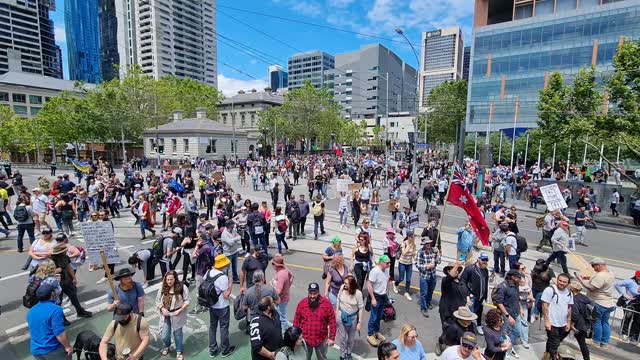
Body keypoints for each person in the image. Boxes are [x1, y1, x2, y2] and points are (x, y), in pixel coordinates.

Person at [576, 257, 616, 349]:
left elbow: (591, 288)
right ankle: (604, 343)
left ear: (599, 265)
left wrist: (581, 280)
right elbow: (601, 280)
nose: (593, 268)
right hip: (609, 302)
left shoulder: (600, 276)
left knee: (597, 322)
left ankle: (596, 341)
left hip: (599, 302)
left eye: (594, 266)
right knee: (605, 323)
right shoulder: (610, 273)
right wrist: (588, 277)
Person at [27, 284, 74, 359]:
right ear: (52, 293)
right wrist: (68, 347)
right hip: (53, 350)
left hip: (36, 350)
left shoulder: (32, 310)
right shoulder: (55, 310)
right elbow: (59, 333)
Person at [50, 238, 93, 319]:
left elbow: (69, 267)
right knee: (58, 301)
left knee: (73, 296)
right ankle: (61, 318)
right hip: (57, 283)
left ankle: (80, 311)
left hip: (67, 280)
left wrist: (73, 278)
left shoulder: (65, 257)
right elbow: (46, 273)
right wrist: (55, 271)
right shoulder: (51, 260)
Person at [293, 282, 336, 360]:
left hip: (321, 339)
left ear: (318, 292)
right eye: (310, 293)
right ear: (308, 292)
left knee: (322, 358)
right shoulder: (302, 304)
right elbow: (296, 321)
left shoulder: (326, 304)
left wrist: (332, 338)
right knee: (304, 358)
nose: (312, 296)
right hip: (305, 339)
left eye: (315, 293)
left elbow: (332, 321)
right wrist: (295, 337)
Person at [205, 254, 237, 358]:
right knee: (223, 327)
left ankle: (212, 349)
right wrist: (230, 281)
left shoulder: (208, 272)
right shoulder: (222, 277)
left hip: (211, 305)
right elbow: (226, 295)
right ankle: (225, 349)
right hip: (222, 306)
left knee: (212, 327)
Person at [155, 271, 190, 359]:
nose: (169, 281)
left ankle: (179, 351)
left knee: (177, 334)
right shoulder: (162, 287)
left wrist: (181, 309)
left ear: (175, 279)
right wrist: (162, 308)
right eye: (167, 280)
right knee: (164, 335)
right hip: (165, 314)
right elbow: (157, 300)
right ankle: (168, 346)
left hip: (177, 314)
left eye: (171, 279)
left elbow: (187, 300)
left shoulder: (182, 287)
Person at [541, 273, 573, 359]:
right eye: (560, 280)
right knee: (554, 344)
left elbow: (569, 307)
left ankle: (546, 356)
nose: (561, 283)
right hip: (552, 323)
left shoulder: (569, 292)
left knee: (553, 341)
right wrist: (547, 321)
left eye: (564, 282)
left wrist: (568, 322)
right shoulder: (550, 290)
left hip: (563, 323)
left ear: (568, 283)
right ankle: (553, 357)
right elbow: (545, 306)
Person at [495, 269, 523, 359]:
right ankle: (506, 349)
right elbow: (499, 303)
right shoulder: (502, 287)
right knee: (505, 334)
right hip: (506, 314)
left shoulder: (516, 285)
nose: (520, 279)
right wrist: (507, 316)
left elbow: (517, 297)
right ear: (512, 277)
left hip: (516, 312)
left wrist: (521, 308)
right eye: (518, 277)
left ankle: (510, 347)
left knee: (517, 332)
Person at [335, 275, 364, 360]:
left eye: (346, 283)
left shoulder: (358, 293)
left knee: (350, 339)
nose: (344, 285)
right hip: (341, 316)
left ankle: (349, 352)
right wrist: (337, 311)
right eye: (344, 283)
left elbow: (361, 308)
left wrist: (359, 322)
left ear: (352, 284)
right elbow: (338, 299)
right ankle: (342, 355)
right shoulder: (342, 288)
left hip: (353, 318)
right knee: (343, 337)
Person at [461, 253, 490, 331]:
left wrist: (485, 296)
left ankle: (478, 325)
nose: (485, 262)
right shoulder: (470, 269)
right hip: (472, 296)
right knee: (470, 314)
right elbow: (462, 282)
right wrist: (467, 294)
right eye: (483, 260)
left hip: (480, 297)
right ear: (478, 259)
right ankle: (467, 329)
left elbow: (485, 283)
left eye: (486, 260)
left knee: (479, 311)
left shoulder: (485, 270)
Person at [367, 255, 391, 347]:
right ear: (381, 262)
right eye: (387, 263)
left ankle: (376, 332)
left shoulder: (387, 270)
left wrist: (387, 294)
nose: (389, 264)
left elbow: (386, 282)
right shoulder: (375, 271)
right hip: (376, 296)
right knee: (373, 316)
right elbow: (369, 285)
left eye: (389, 263)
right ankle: (370, 334)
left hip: (383, 296)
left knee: (379, 315)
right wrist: (372, 298)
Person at [414, 237, 440, 318]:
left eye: (429, 243)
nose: (429, 244)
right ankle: (423, 308)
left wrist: (437, 254)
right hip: (424, 276)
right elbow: (417, 264)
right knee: (424, 293)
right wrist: (426, 266)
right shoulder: (420, 252)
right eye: (427, 243)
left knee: (430, 291)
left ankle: (428, 302)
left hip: (433, 275)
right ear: (424, 245)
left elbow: (438, 262)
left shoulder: (433, 251)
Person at [271, 253, 294, 332]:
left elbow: (279, 291)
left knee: (281, 318)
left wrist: (272, 287)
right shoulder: (285, 271)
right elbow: (292, 276)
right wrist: (288, 286)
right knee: (283, 314)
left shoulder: (281, 275)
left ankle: (283, 333)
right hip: (285, 297)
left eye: (273, 264)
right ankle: (287, 325)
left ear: (275, 265)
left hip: (281, 300)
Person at [615, 270, 640, 342]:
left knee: (636, 320)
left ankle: (633, 335)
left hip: (637, 304)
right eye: (639, 277)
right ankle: (624, 333)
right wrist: (624, 294)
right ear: (636, 276)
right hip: (628, 303)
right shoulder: (630, 282)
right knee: (627, 318)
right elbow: (617, 284)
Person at [570, 282, 592, 360]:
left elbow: (575, 314)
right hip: (584, 323)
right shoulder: (584, 297)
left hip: (577, 324)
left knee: (559, 338)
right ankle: (587, 358)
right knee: (582, 343)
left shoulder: (574, 299)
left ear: (572, 289)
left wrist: (572, 325)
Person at [531, 258, 557, 323]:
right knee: (532, 301)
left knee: (538, 300)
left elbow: (554, 280)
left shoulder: (549, 270)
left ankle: (535, 314)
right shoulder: (536, 268)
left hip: (543, 289)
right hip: (534, 288)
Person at [395, 234, 416, 301]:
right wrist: (409, 246)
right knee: (401, 278)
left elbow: (414, 253)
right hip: (402, 263)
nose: (413, 239)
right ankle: (395, 284)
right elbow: (403, 253)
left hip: (409, 263)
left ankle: (407, 292)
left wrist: (414, 256)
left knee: (408, 279)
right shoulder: (404, 243)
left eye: (413, 237)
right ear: (409, 237)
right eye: (412, 237)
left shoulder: (413, 244)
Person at [221, 219, 241, 283]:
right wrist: (236, 239)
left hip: (234, 251)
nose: (234, 226)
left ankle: (235, 278)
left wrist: (234, 239)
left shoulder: (233, 231)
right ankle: (226, 280)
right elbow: (230, 243)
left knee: (235, 267)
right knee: (227, 269)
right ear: (230, 226)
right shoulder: (224, 234)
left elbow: (239, 237)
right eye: (233, 224)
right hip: (228, 253)